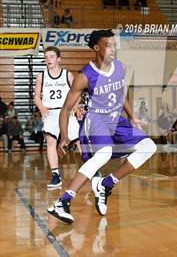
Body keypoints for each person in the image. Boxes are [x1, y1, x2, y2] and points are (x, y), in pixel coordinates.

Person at [47, 29, 157, 224]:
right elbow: (65, 109)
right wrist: (64, 136)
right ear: (97, 48)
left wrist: (133, 117)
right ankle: (63, 202)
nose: (113, 49)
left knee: (149, 147)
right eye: (109, 45)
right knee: (104, 154)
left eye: (114, 45)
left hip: (117, 120)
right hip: (95, 120)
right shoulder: (85, 76)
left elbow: (121, 94)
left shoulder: (120, 67)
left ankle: (106, 184)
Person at [34, 46, 80, 189]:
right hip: (51, 113)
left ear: (59, 59)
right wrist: (41, 107)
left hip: (66, 111)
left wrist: (75, 106)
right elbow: (36, 97)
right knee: (50, 142)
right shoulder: (41, 76)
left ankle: (92, 170)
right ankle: (55, 176)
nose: (49, 59)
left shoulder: (68, 75)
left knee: (79, 141)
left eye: (52, 56)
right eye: (46, 57)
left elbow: (77, 92)